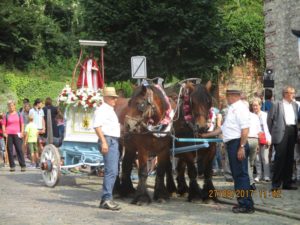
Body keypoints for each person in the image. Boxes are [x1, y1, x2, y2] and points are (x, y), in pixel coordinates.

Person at [201, 89, 254, 213]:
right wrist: (206, 135)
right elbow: (223, 128)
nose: (226, 98)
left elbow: (245, 129)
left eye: (228, 96)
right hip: (232, 144)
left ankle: (246, 205)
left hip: (237, 143)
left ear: (233, 96)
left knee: (241, 175)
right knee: (237, 175)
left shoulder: (240, 108)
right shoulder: (232, 108)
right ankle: (243, 202)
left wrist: (241, 146)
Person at [93, 87, 121, 211]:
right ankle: (106, 199)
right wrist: (104, 142)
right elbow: (97, 126)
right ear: (106, 98)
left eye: (115, 97)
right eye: (112, 97)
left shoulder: (109, 110)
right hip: (109, 140)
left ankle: (107, 198)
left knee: (113, 170)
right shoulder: (102, 109)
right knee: (111, 171)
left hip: (112, 140)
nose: (115, 99)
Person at [267, 85, 299, 190]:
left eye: (293, 93)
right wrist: (272, 133)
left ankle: (287, 183)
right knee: (280, 158)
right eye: (292, 93)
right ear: (285, 94)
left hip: (292, 130)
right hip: (280, 132)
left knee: (290, 158)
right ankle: (275, 184)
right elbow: (269, 120)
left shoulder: (295, 105)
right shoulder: (276, 104)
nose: (293, 95)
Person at [2, 100, 26, 172]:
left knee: (19, 149)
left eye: (12, 106)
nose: (11, 107)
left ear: (14, 106)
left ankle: (23, 165)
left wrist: (22, 132)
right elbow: (3, 125)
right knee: (10, 150)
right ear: (8, 107)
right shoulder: (6, 115)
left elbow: (22, 124)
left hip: (17, 134)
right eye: (9, 106)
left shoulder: (19, 114)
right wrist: (4, 132)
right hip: (8, 134)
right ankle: (12, 166)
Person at [251, 97, 272, 182]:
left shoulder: (265, 115)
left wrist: (269, 138)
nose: (255, 107)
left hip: (264, 138)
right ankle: (259, 175)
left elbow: (269, 128)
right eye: (253, 105)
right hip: (255, 138)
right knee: (257, 158)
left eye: (256, 105)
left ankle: (266, 175)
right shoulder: (251, 115)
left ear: (260, 105)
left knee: (265, 158)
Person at [242, 100, 261, 190]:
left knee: (247, 162)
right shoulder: (255, 116)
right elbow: (259, 130)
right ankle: (250, 180)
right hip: (255, 139)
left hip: (247, 139)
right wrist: (258, 144)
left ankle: (251, 182)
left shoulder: (241, 116)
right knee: (251, 163)